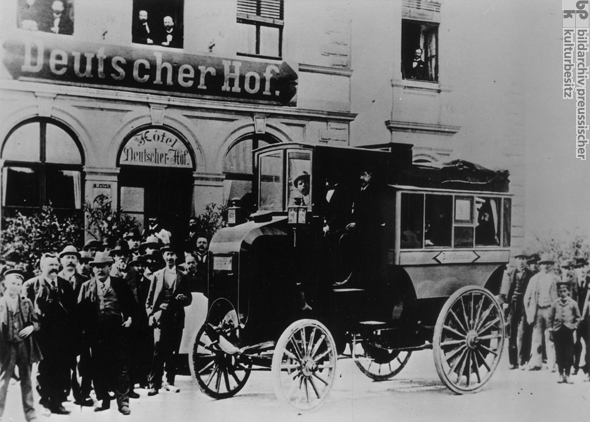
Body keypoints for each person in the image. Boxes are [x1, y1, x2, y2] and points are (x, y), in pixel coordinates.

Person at [77, 251, 136, 415]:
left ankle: (123, 402)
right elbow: (79, 313)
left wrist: (130, 318)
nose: (99, 270)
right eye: (96, 267)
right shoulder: (86, 286)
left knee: (121, 368)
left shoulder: (120, 284)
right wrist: (82, 334)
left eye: (103, 266)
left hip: (117, 330)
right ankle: (103, 399)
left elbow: (132, 306)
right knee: (98, 367)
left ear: (110, 267)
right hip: (96, 332)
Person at [23, 253, 76, 415]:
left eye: (55, 264)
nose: (54, 268)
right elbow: (24, 312)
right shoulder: (31, 285)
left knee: (60, 369)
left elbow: (72, 311)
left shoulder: (65, 285)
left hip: (61, 336)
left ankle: (57, 402)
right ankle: (44, 402)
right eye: (50, 265)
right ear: (41, 267)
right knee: (43, 370)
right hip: (41, 337)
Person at [145, 246, 192, 395]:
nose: (170, 257)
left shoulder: (183, 276)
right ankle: (154, 384)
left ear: (176, 257)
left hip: (176, 317)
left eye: (172, 254)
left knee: (173, 350)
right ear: (164, 257)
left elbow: (189, 298)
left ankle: (169, 382)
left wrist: (183, 298)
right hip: (161, 316)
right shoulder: (157, 275)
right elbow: (149, 301)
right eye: (167, 254)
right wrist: (151, 315)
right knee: (158, 348)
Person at [0, 269, 42, 422]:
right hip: (6, 347)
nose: (15, 287)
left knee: (26, 380)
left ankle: (30, 415)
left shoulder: (26, 302)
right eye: (12, 283)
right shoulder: (0, 303)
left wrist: (32, 327)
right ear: (5, 284)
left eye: (18, 284)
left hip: (24, 345)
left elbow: (37, 322)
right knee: (3, 381)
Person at [57, 245, 93, 407]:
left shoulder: (86, 281)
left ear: (77, 261)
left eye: (73, 257)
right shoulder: (54, 281)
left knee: (84, 362)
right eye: (67, 257)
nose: (70, 261)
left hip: (82, 328)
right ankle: (65, 392)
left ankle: (83, 394)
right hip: (62, 330)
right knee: (64, 362)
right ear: (61, 260)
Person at [109, 240, 145, 399]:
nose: (121, 258)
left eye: (124, 255)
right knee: (112, 353)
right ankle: (111, 387)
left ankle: (129, 388)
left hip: (130, 317)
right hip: (112, 317)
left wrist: (132, 317)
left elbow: (136, 298)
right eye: (118, 255)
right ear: (114, 257)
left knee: (130, 354)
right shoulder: (109, 272)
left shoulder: (134, 273)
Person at [524, 253, 559, 371]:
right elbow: (526, 298)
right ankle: (536, 362)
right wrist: (529, 313)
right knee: (536, 336)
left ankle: (551, 363)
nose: (545, 266)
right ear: (540, 265)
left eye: (548, 264)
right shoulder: (534, 279)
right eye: (543, 264)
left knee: (550, 337)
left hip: (550, 310)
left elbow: (560, 296)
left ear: (551, 265)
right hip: (537, 310)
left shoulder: (556, 279)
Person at [501, 251, 534, 370]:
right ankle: (513, 362)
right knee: (512, 333)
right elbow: (508, 290)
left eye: (523, 258)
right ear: (515, 260)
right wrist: (507, 305)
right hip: (513, 305)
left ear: (526, 260)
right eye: (519, 258)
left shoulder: (531, 274)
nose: (521, 261)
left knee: (525, 332)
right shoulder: (512, 273)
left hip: (525, 305)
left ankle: (523, 360)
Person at [549, 280, 581, 383]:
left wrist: (574, 326)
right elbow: (550, 317)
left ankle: (567, 374)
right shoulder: (555, 303)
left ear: (568, 292)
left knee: (569, 353)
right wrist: (551, 329)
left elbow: (578, 317)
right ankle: (560, 374)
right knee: (559, 352)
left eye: (564, 291)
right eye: (560, 291)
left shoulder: (573, 303)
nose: (562, 293)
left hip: (568, 331)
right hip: (558, 331)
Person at [573, 258, 589, 378]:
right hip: (575, 319)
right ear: (575, 270)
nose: (581, 270)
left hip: (588, 319)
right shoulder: (572, 283)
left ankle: (588, 369)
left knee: (589, 344)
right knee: (575, 343)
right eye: (578, 267)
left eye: (583, 267)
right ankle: (575, 366)